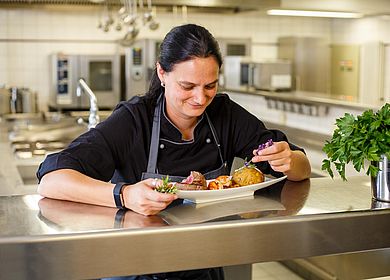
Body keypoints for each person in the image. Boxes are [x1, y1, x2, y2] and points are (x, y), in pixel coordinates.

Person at [37, 23, 311, 279]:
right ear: (162, 73)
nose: (200, 98)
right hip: (136, 267)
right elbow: (52, 180)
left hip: (203, 265)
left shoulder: (225, 115)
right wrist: (125, 194)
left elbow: (300, 167)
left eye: (210, 86)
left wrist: (289, 159)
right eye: (187, 86)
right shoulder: (134, 121)